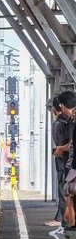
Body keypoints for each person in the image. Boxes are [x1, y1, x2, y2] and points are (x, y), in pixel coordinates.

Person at [46, 91, 76, 229]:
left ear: (62, 106)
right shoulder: (70, 121)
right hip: (70, 165)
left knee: (67, 194)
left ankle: (68, 230)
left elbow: (71, 144)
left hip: (69, 166)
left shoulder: (68, 122)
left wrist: (59, 149)